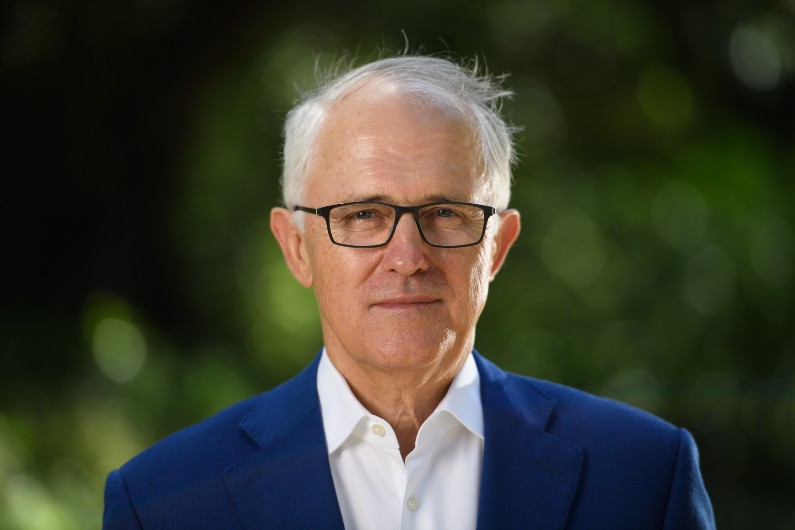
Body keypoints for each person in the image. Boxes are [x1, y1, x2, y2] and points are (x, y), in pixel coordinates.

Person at [103, 53, 715, 529]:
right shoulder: (161, 503)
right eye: (363, 214)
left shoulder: (643, 476)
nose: (407, 257)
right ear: (296, 247)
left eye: (446, 212)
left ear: (497, 246)